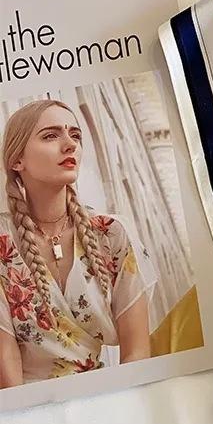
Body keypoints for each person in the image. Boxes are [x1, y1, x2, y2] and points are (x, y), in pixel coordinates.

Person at [0, 98, 155, 387]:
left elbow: (137, 353)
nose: (70, 144)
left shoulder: (111, 234)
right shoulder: (2, 243)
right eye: (50, 135)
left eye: (75, 135)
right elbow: (7, 372)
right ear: (17, 160)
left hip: (107, 396)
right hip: (27, 404)